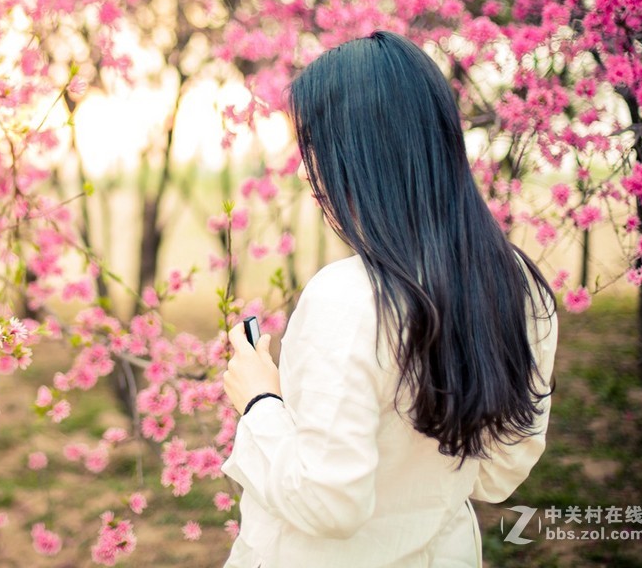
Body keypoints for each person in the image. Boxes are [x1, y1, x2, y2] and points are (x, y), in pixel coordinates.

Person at [220, 30, 558, 567]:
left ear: (359, 156)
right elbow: (495, 474)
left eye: (316, 148)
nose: (311, 172)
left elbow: (328, 504)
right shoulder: (520, 285)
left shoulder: (349, 298)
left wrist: (260, 401)